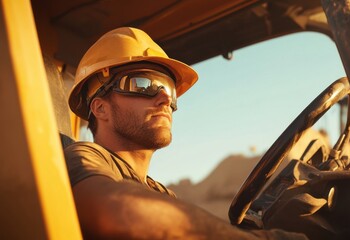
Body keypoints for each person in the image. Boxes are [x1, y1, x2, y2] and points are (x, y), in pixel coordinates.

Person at [65, 27, 307, 239]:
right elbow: (115, 212)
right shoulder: (83, 156)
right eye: (142, 84)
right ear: (100, 108)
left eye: (169, 89)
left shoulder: (159, 192)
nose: (164, 99)